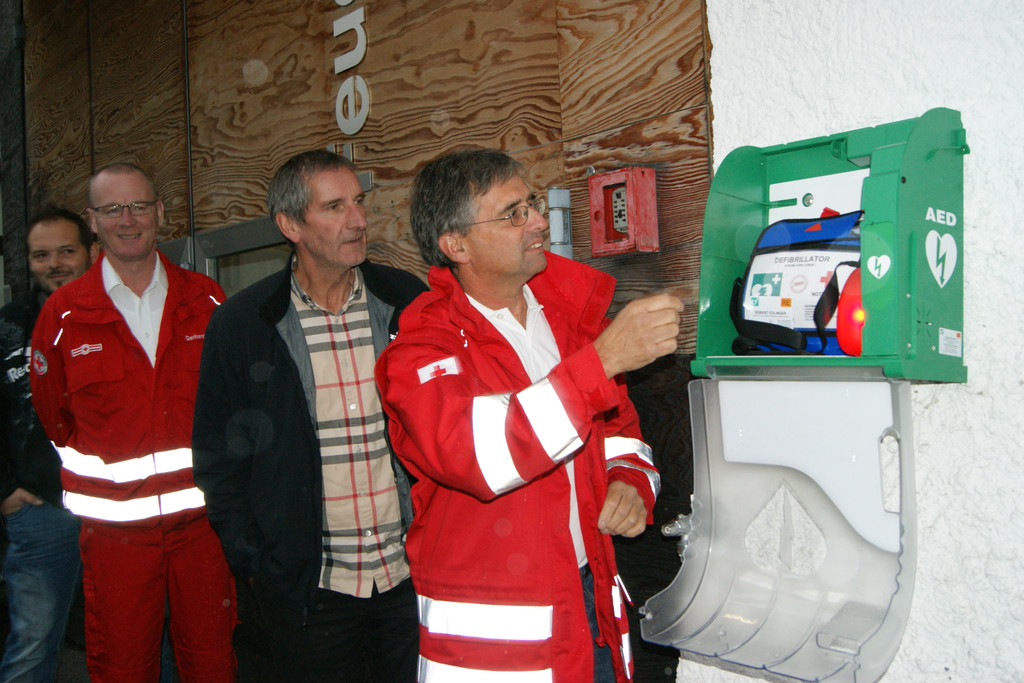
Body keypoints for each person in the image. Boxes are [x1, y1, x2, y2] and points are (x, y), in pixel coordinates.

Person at [375, 148, 683, 682]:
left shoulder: (567, 316)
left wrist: (628, 481)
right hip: (496, 644)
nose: (539, 222)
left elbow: (618, 431)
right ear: (456, 245)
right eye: (513, 213)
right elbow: (479, 454)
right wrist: (602, 362)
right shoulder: (423, 349)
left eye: (533, 203)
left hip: (588, 598)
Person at [192, 150, 425, 681]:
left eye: (359, 202)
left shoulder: (408, 302)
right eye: (335, 207)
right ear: (290, 225)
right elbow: (218, 460)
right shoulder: (244, 324)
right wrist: (259, 564)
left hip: (408, 578)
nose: (358, 220)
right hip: (308, 591)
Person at [29, 163, 237, 682]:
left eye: (139, 206)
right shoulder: (63, 316)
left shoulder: (207, 300)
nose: (128, 220)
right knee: (122, 667)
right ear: (92, 221)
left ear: (160, 213)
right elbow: (55, 419)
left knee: (212, 663)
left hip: (204, 529)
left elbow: (234, 403)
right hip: (114, 537)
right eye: (112, 209)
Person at [0, 208, 97, 682]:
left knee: (137, 638)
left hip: (118, 511)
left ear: (91, 252)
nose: (54, 264)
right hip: (40, 513)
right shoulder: (8, 326)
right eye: (41, 255)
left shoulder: (116, 315)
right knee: (34, 644)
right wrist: (4, 491)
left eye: (66, 251)